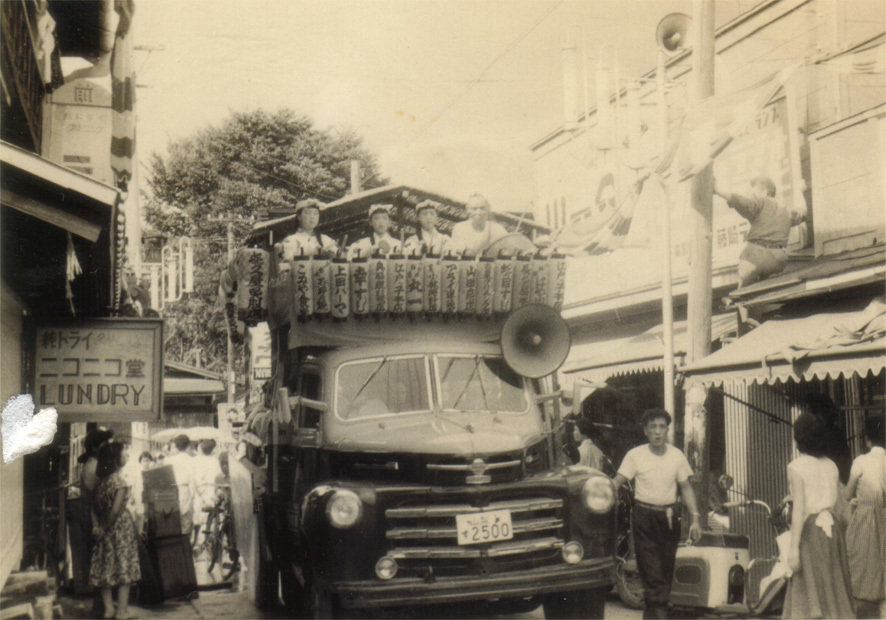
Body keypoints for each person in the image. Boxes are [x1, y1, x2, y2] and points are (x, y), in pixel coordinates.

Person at [612, 409, 702, 620]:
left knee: (664, 575)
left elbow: (686, 488)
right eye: (653, 427)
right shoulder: (635, 456)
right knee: (653, 576)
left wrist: (696, 519)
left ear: (668, 430)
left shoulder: (676, 456)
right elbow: (617, 482)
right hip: (644, 518)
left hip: (669, 519)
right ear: (645, 431)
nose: (658, 432)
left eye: (662, 427)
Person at [782, 411, 855, 619]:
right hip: (833, 531)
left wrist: (793, 548)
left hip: (811, 531)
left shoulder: (796, 466)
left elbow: (799, 510)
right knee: (833, 589)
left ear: (798, 438)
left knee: (808, 593)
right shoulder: (830, 465)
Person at [713, 176, 805, 287]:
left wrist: (716, 189)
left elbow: (740, 201)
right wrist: (801, 191)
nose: (751, 196)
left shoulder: (760, 203)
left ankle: (740, 299)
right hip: (778, 261)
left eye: (753, 193)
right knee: (763, 290)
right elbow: (803, 212)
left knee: (742, 293)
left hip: (755, 257)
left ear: (764, 192)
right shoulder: (788, 210)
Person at [89, 442, 140, 620]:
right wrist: (105, 528)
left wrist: (97, 527)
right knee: (124, 569)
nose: (126, 455)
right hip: (120, 530)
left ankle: (109, 609)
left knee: (105, 568)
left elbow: (93, 509)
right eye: (123, 453)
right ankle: (122, 611)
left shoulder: (99, 483)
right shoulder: (120, 483)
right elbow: (116, 511)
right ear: (115, 460)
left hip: (103, 530)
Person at [845, 415, 886, 619]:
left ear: (867, 439)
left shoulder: (861, 461)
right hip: (884, 516)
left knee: (860, 563)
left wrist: (854, 500)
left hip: (865, 519)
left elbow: (847, 493)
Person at [193, 439, 224, 547]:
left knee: (198, 519)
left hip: (199, 490)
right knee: (210, 519)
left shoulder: (196, 460)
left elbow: (194, 478)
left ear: (200, 449)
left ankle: (198, 544)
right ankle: (209, 543)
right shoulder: (214, 461)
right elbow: (218, 476)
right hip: (211, 490)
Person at [166, 434, 197, 539]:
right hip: (184, 489)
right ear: (188, 445)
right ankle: (185, 548)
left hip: (172, 491)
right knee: (185, 523)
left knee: (173, 522)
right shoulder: (191, 460)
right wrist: (193, 495)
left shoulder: (169, 460)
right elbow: (193, 480)